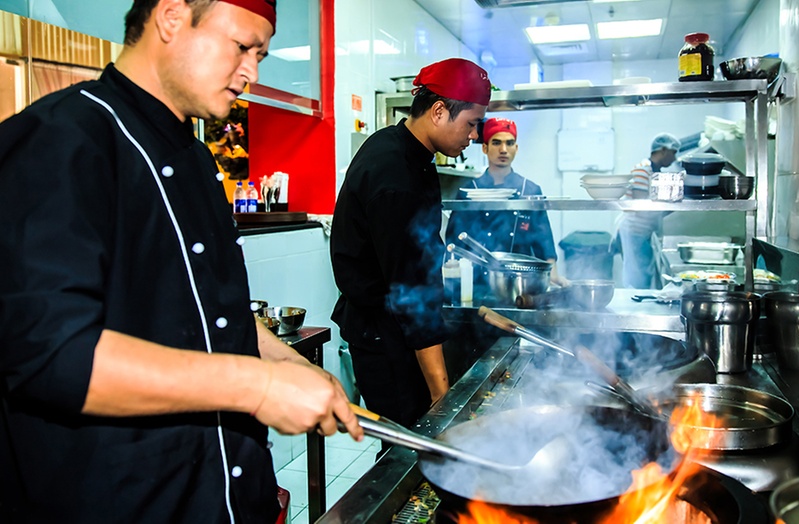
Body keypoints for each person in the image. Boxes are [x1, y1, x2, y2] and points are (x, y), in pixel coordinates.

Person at [0, 1, 361, 522]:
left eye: (261, 54)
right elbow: (54, 357)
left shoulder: (194, 155)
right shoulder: (59, 141)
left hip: (223, 490)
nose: (252, 73)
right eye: (242, 47)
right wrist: (255, 386)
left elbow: (200, 303)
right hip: (123, 499)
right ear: (171, 17)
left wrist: (280, 358)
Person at [330, 58, 490, 429]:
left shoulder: (403, 148)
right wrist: (441, 395)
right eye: (471, 123)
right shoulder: (395, 174)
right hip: (385, 336)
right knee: (411, 441)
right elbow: (410, 290)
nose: (474, 136)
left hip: (393, 324)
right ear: (438, 112)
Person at [445, 117, 567, 287]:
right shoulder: (468, 192)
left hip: (519, 284)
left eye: (509, 143)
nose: (503, 149)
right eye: (496, 143)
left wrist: (553, 275)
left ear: (516, 148)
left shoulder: (530, 191)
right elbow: (454, 242)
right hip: (475, 284)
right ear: (485, 148)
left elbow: (543, 239)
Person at [616, 133, 682, 289]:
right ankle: (633, 310)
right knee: (637, 277)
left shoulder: (655, 172)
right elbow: (641, 205)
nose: (674, 159)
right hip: (635, 231)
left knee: (643, 275)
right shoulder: (642, 170)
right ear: (664, 150)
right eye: (673, 153)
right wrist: (669, 205)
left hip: (644, 231)